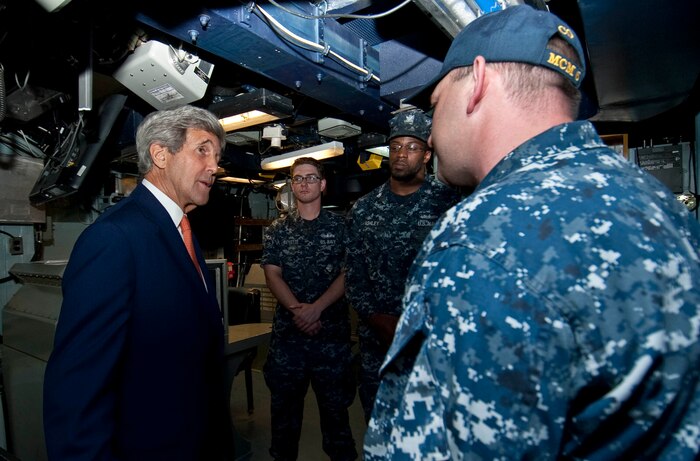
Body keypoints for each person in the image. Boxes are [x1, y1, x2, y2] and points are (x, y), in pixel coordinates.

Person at [364, 5, 700, 460]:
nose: (434, 132)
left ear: (477, 81)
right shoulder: (661, 206)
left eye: (436, 103)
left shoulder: (484, 237)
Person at [43, 105, 233, 460]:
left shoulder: (182, 233)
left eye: (217, 156)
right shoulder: (115, 237)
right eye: (202, 150)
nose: (214, 167)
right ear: (160, 154)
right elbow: (78, 387)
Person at [345, 108, 462, 422]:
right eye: (395, 147)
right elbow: (354, 275)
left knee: (429, 428)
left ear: (426, 155)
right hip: (376, 344)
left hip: (430, 342)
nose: (401, 154)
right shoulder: (364, 209)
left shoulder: (448, 203)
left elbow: (459, 271)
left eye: (412, 147)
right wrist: (379, 320)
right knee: (378, 423)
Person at [261, 157, 357, 461]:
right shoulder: (278, 229)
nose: (304, 183)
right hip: (289, 342)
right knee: (284, 426)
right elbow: (272, 272)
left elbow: (348, 272)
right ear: (292, 185)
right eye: (298, 178)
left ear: (323, 184)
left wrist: (316, 309)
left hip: (331, 340)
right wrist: (298, 311)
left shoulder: (342, 226)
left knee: (337, 423)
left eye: (311, 178)